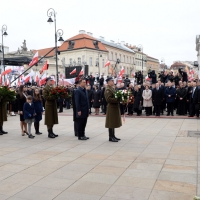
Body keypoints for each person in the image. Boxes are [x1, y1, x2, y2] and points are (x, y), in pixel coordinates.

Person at [104, 77, 122, 142]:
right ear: (108, 82)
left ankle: (113, 136)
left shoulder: (112, 88)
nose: (113, 82)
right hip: (111, 108)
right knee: (111, 123)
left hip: (114, 107)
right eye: (111, 81)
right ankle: (110, 137)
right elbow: (108, 99)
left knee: (113, 122)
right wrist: (117, 100)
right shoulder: (108, 89)